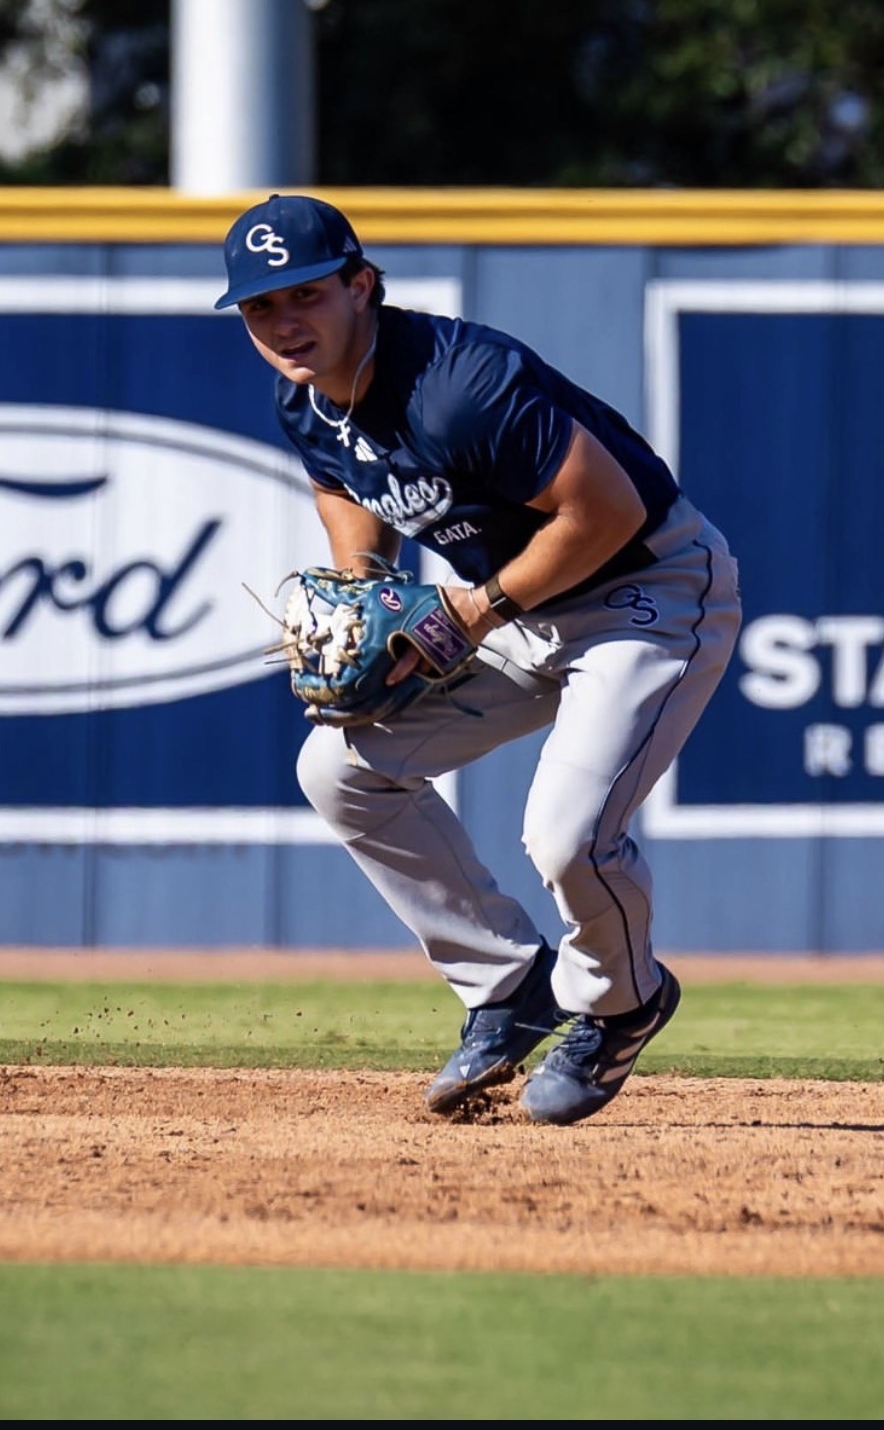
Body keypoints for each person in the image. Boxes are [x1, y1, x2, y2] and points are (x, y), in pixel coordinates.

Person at [216, 193, 741, 1126]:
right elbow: (342, 481)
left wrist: (477, 608)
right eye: (261, 306)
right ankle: (508, 987)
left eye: (305, 295)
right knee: (338, 771)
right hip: (511, 608)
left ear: (361, 285)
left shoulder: (459, 384)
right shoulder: (301, 392)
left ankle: (621, 1002)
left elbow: (606, 512)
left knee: (567, 835)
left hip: (645, 593)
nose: (284, 323)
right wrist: (367, 584)